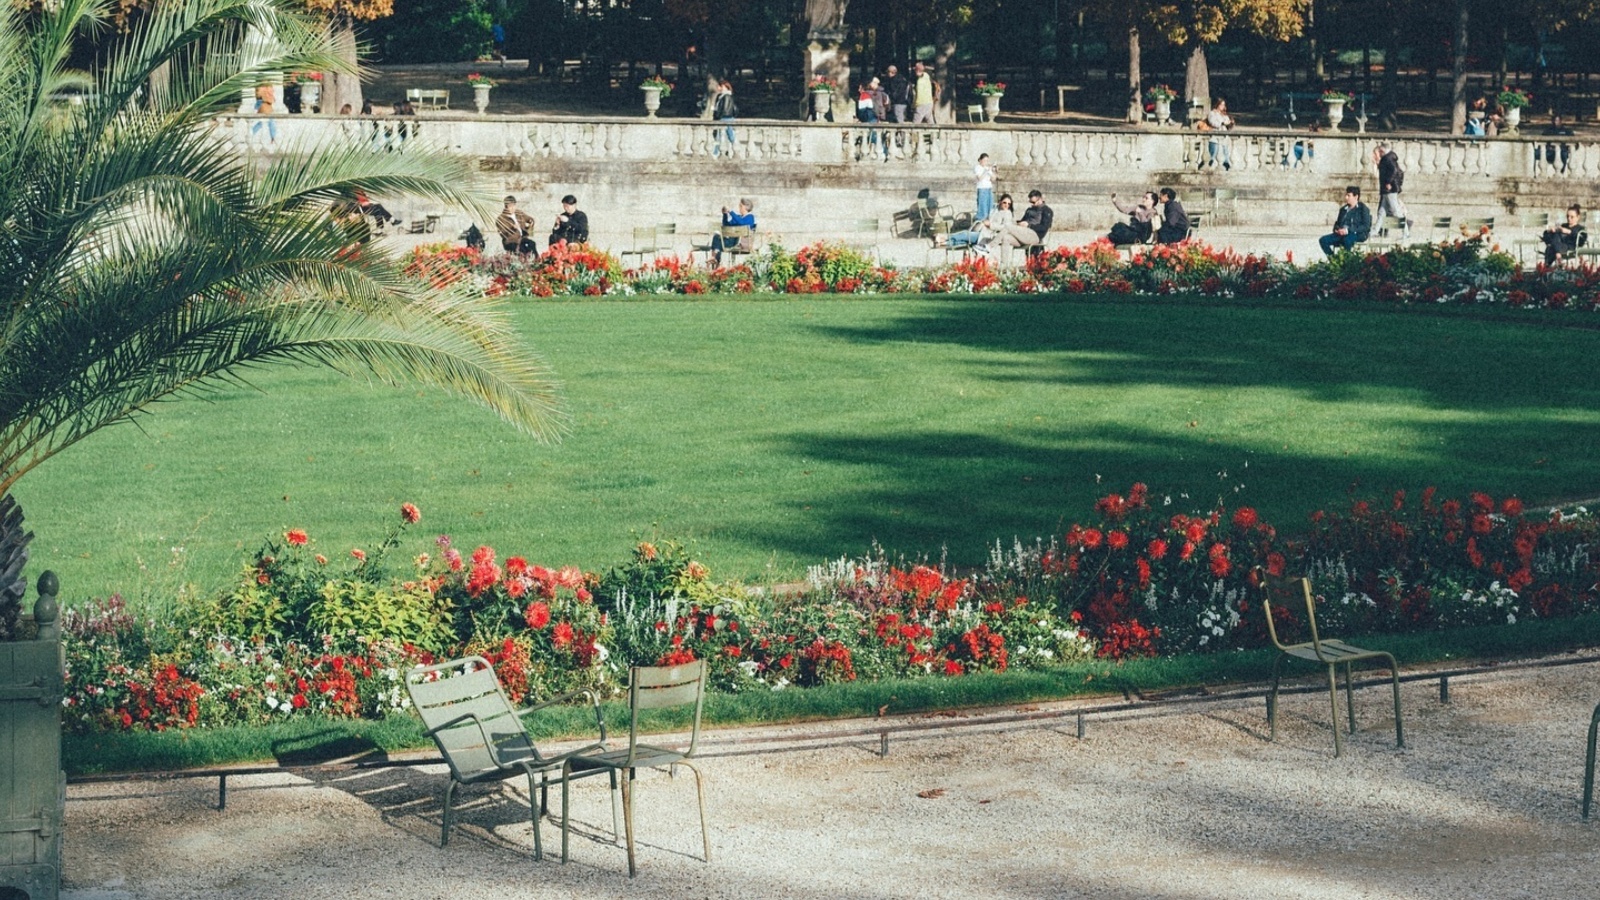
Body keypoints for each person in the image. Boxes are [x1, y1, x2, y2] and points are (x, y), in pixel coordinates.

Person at [936, 193, 1012, 252]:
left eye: (1009, 204)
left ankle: (945, 237)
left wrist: (991, 225)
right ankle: (944, 243)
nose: (1006, 205)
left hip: (990, 235)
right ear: (1000, 202)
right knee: (965, 241)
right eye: (1004, 202)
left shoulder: (1007, 213)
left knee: (965, 234)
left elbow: (1006, 227)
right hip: (983, 230)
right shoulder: (994, 209)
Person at [1319, 185, 1372, 257]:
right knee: (1323, 240)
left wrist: (1348, 230)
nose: (1346, 198)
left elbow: (1366, 226)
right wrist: (1337, 229)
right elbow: (1337, 223)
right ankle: (1334, 260)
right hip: (1341, 234)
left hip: (1356, 233)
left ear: (1356, 197)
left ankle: (1346, 261)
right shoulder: (1343, 209)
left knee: (1347, 240)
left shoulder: (1363, 209)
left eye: (1348, 195)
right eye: (1346, 195)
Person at [1372, 143, 1409, 237]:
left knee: (1396, 211)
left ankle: (1406, 232)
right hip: (1386, 190)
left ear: (1382, 151)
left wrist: (1388, 182)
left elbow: (1394, 170)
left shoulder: (1387, 159)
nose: (1379, 154)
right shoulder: (1389, 158)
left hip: (1389, 190)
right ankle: (1375, 231)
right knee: (1382, 212)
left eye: (1380, 151)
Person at [711, 197, 756, 265]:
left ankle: (715, 260)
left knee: (717, 244)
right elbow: (726, 225)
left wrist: (731, 212)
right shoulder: (738, 217)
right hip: (731, 241)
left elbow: (742, 223)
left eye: (740, 206)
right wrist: (725, 214)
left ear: (745, 207)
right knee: (716, 238)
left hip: (738, 243)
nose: (739, 208)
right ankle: (715, 259)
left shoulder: (750, 217)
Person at [1202, 98, 1232, 170]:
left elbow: (1227, 122)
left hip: (1224, 136)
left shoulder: (1224, 114)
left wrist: (1230, 123)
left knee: (1225, 153)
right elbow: (1212, 122)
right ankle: (1203, 166)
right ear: (1217, 105)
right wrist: (1222, 123)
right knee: (1212, 154)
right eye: (1221, 104)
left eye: (1224, 104)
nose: (1223, 106)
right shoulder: (1212, 113)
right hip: (1214, 137)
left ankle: (1226, 166)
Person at [712, 81, 737, 157]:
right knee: (721, 135)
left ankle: (718, 152)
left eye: (721, 86)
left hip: (725, 117)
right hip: (725, 117)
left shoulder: (726, 96)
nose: (719, 88)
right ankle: (718, 151)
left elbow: (725, 109)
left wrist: (717, 114)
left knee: (727, 135)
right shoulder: (721, 96)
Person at [973, 153, 997, 222]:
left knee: (990, 206)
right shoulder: (977, 167)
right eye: (984, 160)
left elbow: (993, 179)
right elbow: (980, 178)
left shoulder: (987, 168)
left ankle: (989, 221)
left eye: (987, 161)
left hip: (989, 188)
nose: (986, 162)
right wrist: (986, 171)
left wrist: (994, 171)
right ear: (980, 160)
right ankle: (981, 220)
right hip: (982, 189)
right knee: (982, 207)